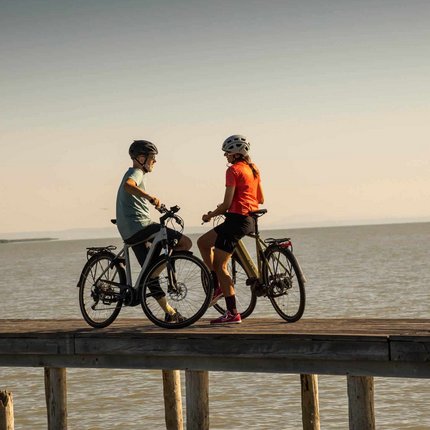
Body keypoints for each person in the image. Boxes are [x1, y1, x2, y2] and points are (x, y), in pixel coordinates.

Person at [115, 139, 192, 322]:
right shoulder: (136, 172)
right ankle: (155, 272)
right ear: (141, 158)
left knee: (149, 272)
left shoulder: (138, 173)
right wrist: (150, 197)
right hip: (138, 226)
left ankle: (170, 312)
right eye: (152, 158)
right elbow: (129, 185)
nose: (154, 162)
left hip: (132, 229)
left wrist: (159, 207)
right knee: (185, 242)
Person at [197, 135, 264, 324]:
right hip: (249, 218)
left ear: (235, 154)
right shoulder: (253, 169)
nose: (225, 156)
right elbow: (260, 198)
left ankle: (232, 312)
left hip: (236, 220)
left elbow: (226, 205)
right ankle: (217, 285)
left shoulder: (233, 170)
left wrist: (209, 215)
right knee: (203, 242)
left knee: (220, 266)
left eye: (227, 153)